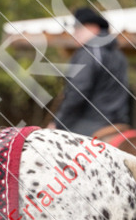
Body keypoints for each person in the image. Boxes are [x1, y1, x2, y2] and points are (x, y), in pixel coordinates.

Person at [50, 7, 131, 136]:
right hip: (119, 121)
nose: (75, 33)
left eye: (78, 29)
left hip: (91, 123)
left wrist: (59, 122)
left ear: (93, 27)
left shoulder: (88, 52)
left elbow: (78, 91)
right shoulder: (118, 54)